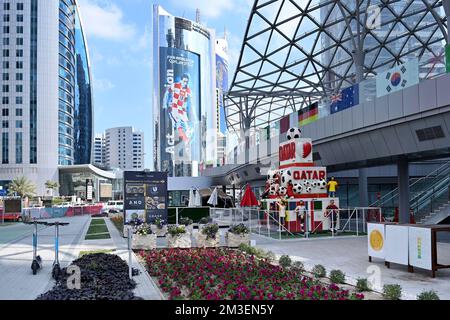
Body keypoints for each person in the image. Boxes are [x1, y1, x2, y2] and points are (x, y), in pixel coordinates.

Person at [165, 73, 195, 143]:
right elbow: (167, 93)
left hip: (182, 110)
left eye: (186, 82)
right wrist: (166, 103)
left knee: (186, 124)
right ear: (181, 80)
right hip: (174, 108)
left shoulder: (188, 90)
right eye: (184, 81)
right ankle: (184, 139)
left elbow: (191, 100)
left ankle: (186, 138)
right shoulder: (175, 85)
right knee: (178, 123)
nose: (185, 83)